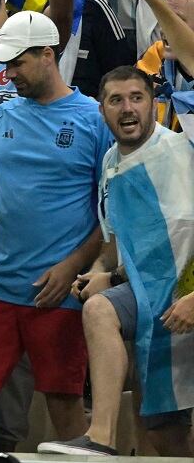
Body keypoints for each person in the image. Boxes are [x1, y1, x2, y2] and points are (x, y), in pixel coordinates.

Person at [0, 10, 110, 449]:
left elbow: (110, 214)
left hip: (57, 290)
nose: (8, 74)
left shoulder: (94, 120)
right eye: (5, 64)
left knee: (64, 404)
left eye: (17, 63)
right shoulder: (1, 117)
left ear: (48, 55)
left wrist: (72, 267)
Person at [56, 65, 194, 458]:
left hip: (187, 297)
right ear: (101, 111)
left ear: (154, 104)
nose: (127, 108)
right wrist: (103, 273)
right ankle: (100, 438)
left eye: (136, 98)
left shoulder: (184, 151)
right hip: (154, 303)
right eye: (116, 100)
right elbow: (116, 242)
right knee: (164, 434)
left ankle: (101, 436)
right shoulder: (110, 162)